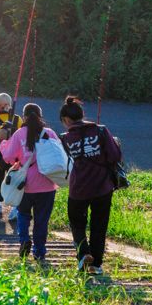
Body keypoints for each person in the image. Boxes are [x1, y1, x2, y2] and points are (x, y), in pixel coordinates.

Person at [59, 96, 122, 276]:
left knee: (77, 224)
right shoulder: (101, 131)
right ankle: (96, 264)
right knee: (99, 226)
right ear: (81, 114)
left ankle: (83, 254)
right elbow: (115, 157)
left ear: (65, 120)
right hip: (103, 187)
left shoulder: (65, 138)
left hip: (78, 188)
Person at [0, 103, 58, 263]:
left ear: (24, 117)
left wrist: (4, 143)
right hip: (47, 184)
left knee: (23, 214)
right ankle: (39, 251)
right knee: (41, 220)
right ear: (40, 116)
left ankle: (24, 239)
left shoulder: (19, 134)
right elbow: (60, 155)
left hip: (25, 185)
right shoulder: (50, 133)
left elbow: (8, 157)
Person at [0, 92, 23, 220]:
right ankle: (15, 208)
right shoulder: (18, 119)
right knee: (14, 182)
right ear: (9, 106)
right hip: (15, 158)